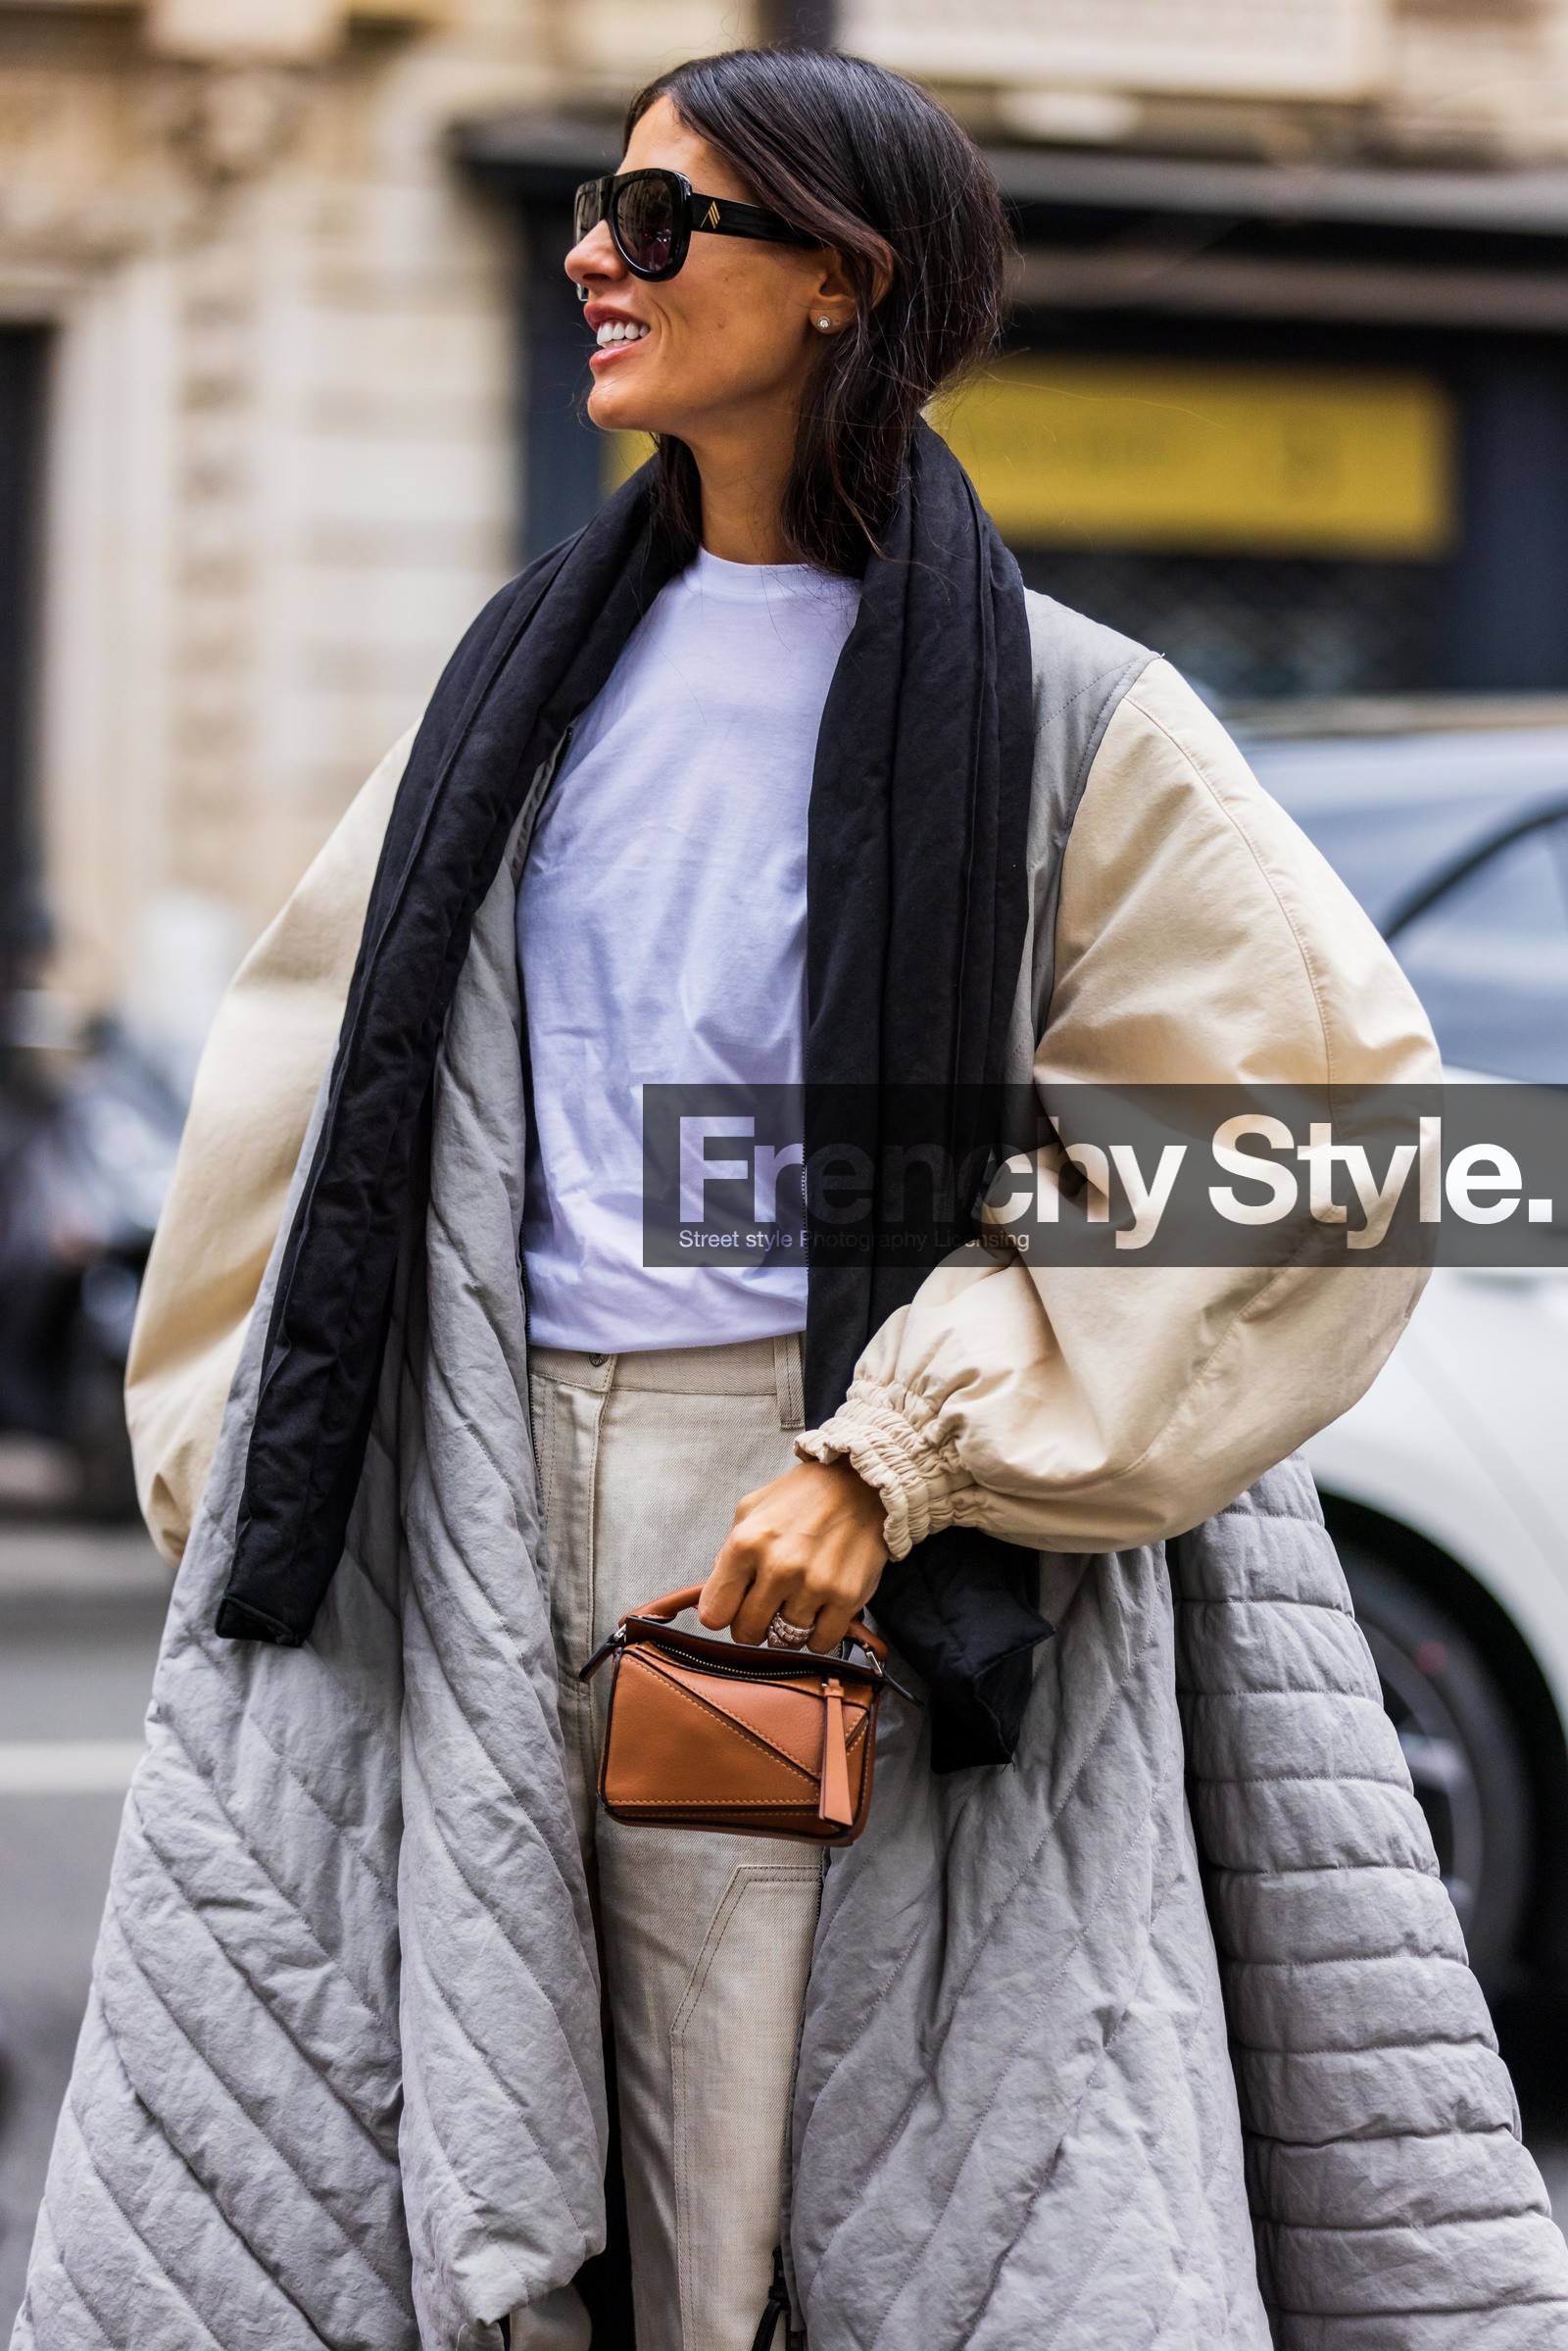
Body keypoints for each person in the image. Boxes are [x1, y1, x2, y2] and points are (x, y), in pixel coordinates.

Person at [15, 43, 1568, 2351]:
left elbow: (1337, 1146)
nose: (589, 262)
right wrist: (264, 1484)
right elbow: (303, 1100)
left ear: (840, 281)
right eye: (591, 214)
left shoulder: (1069, 712)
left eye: (658, 224)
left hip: (827, 1537)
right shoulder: (515, 689)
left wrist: (896, 1452)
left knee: (800, 2192)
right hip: (473, 1517)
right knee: (490, 2177)